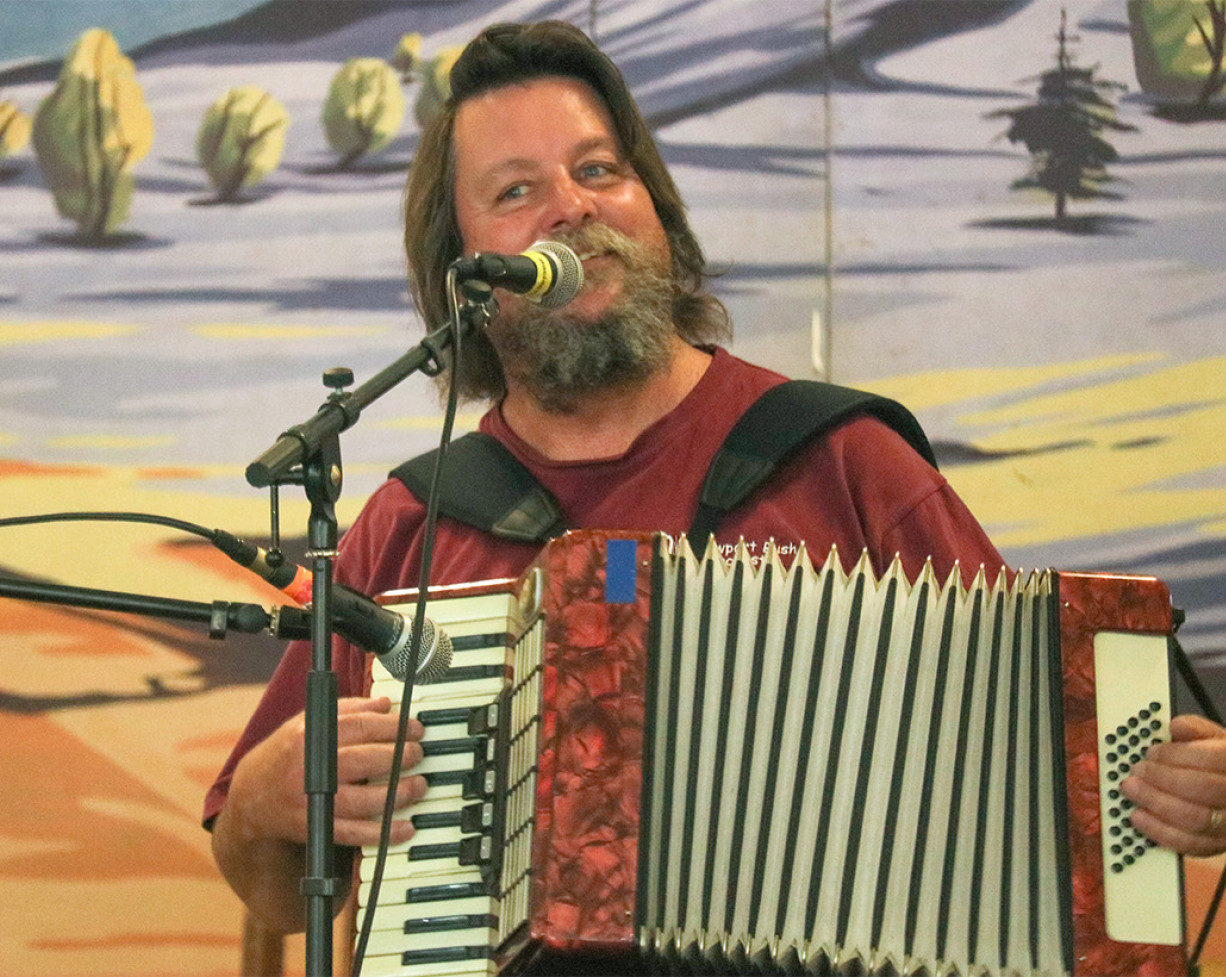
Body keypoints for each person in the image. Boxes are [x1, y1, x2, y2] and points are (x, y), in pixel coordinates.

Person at [205, 19, 1226, 937]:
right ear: (459, 271)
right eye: (515, 191)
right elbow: (272, 889)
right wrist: (260, 797)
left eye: (598, 170)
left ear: (653, 206)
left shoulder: (839, 459)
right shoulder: (410, 523)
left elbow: (1052, 764)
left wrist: (1174, 787)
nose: (570, 209)